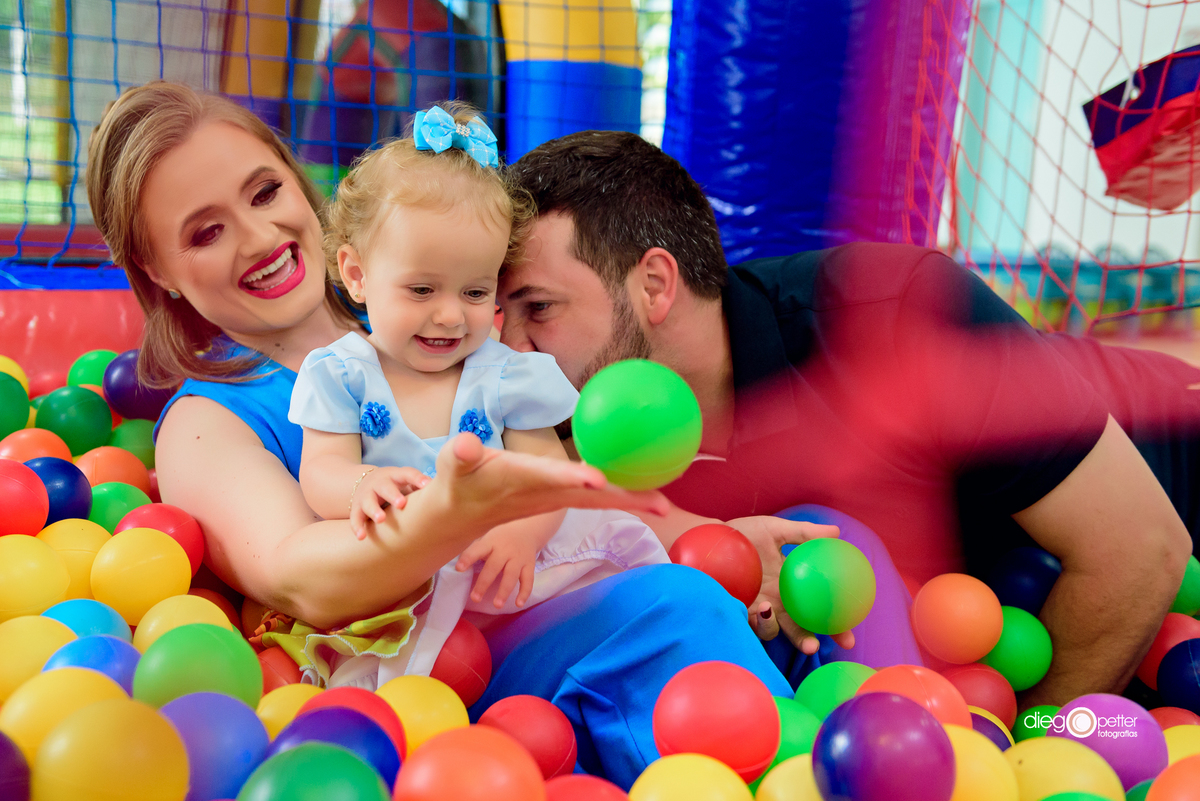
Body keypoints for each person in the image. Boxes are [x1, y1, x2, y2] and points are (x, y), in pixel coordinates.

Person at [84, 81, 824, 787]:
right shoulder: (208, 420)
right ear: (159, 269)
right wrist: (447, 512)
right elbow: (298, 573)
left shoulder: (442, 316)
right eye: (207, 232)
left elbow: (555, 484)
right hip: (438, 665)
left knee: (795, 570)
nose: (258, 237)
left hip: (539, 590)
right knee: (675, 611)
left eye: (264, 191)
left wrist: (718, 541)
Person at [498, 129, 1196, 707]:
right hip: (988, 627)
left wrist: (1032, 750)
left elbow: (1142, 550)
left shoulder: (894, 316)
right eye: (499, 314)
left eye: (539, 309)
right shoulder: (565, 427)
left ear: (654, 284)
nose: (510, 346)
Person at [288, 104, 670, 684]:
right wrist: (362, 484)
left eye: (474, 292)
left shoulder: (506, 375)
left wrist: (521, 533)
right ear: (358, 275)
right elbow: (320, 470)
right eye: (422, 289)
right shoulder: (341, 374)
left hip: (504, 575)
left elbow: (547, 471)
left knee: (613, 620)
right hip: (403, 581)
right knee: (372, 691)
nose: (449, 316)